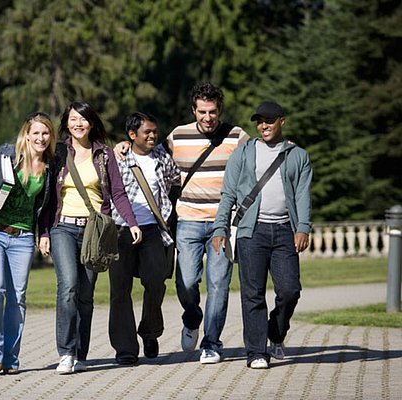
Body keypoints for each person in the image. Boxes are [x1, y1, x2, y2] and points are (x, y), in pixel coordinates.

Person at [115, 82, 249, 364]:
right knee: (185, 283)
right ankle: (192, 317)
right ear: (194, 110)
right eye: (202, 111)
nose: (208, 117)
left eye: (212, 111)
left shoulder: (237, 137)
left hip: (221, 223)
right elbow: (148, 153)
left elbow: (257, 164)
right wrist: (124, 144)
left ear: (219, 110)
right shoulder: (178, 136)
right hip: (187, 219)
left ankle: (211, 343)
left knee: (218, 283)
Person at [41, 100, 142, 375]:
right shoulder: (58, 153)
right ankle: (66, 352)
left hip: (94, 231)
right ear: (66, 123)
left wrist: (131, 223)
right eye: (73, 119)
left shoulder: (105, 155)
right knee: (69, 286)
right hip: (62, 226)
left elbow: (118, 193)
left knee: (86, 293)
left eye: (83, 119)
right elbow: (47, 197)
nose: (78, 124)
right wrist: (44, 232)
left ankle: (81, 352)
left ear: (92, 122)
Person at [211, 101, 312, 369]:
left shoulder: (298, 156)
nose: (263, 126)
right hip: (250, 232)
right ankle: (256, 352)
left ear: (282, 121)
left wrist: (303, 227)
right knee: (252, 294)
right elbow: (228, 194)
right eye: (259, 121)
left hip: (283, 232)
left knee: (290, 290)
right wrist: (220, 227)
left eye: (269, 120)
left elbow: (302, 194)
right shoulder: (243, 153)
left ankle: (276, 332)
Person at [0, 112, 57, 375]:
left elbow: (46, 208)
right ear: (27, 134)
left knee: (18, 298)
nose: (41, 138)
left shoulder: (51, 166)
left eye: (46, 134)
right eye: (36, 133)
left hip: (22, 239)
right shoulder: (7, 153)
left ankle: (10, 359)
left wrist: (44, 234)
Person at [108, 112, 181, 365]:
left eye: (154, 132)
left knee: (156, 281)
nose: (152, 136)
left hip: (152, 230)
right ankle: (125, 349)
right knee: (120, 291)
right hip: (121, 230)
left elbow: (174, 181)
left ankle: (150, 331)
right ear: (131, 135)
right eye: (146, 132)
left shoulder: (162, 157)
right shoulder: (117, 158)